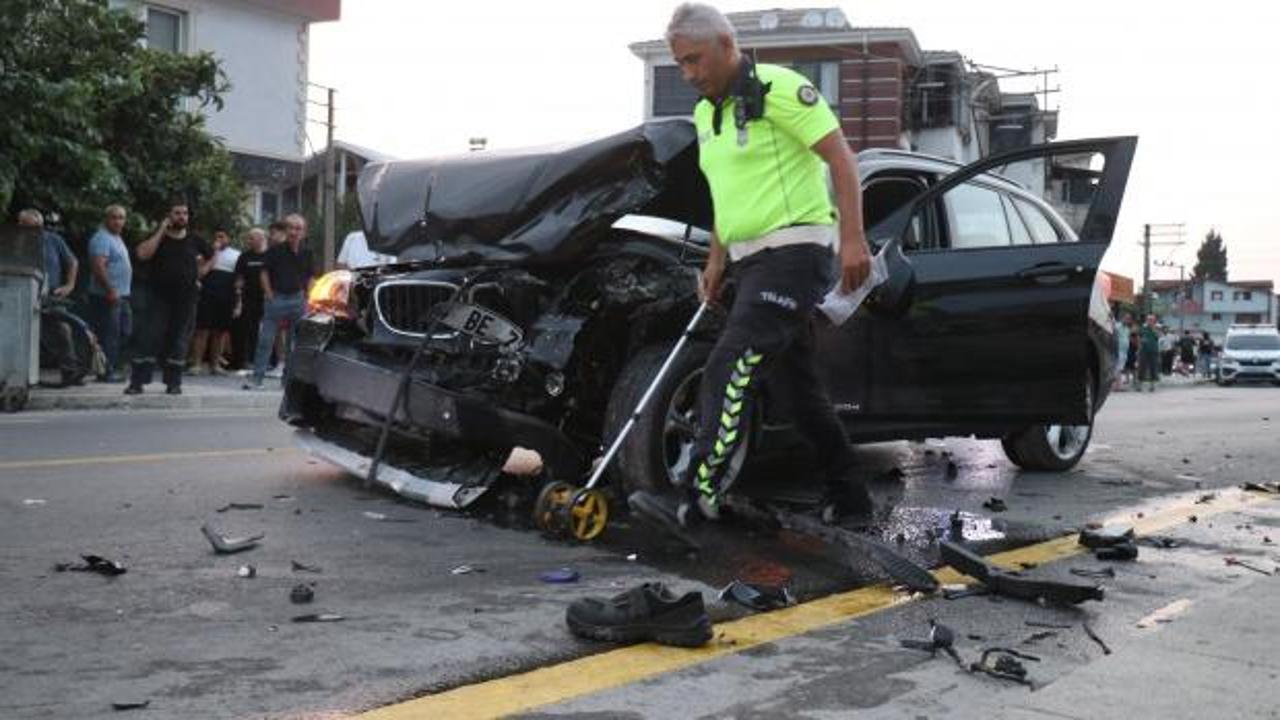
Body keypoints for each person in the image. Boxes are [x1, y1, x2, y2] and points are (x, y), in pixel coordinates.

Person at [629, 3, 875, 539]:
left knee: (729, 363)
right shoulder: (704, 116)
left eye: (695, 60)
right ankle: (851, 495)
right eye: (680, 65)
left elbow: (842, 159)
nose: (690, 74)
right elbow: (727, 197)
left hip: (796, 253)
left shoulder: (782, 89)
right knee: (797, 391)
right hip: (748, 262)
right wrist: (715, 261)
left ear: (725, 43)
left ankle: (701, 495)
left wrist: (853, 238)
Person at [127, 201, 213, 395]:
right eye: (177, 213)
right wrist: (160, 231)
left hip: (186, 299)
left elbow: (212, 255)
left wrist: (201, 273)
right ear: (168, 216)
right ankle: (137, 382)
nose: (182, 217)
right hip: (158, 297)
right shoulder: (158, 237)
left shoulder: (195, 240)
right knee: (148, 338)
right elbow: (142, 255)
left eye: (185, 213)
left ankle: (173, 383)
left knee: (179, 340)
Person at [245, 214, 314, 390]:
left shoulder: (307, 252)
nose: (294, 232)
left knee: (295, 343)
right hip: (277, 298)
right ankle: (256, 379)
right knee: (265, 340)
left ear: (304, 232)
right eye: (291, 227)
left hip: (298, 300)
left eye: (298, 228)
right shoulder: (274, 251)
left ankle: (288, 381)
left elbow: (310, 277)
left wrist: (309, 298)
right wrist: (269, 294)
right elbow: (264, 273)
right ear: (286, 230)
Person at [17, 209, 82, 385]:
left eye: (36, 227)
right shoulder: (14, 241)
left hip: (50, 293)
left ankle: (70, 371)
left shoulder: (52, 239)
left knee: (63, 329)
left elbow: (72, 261)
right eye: (27, 227)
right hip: (21, 293)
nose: (33, 231)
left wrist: (69, 285)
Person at [85, 205, 133, 382]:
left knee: (125, 332)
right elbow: (98, 266)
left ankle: (111, 366)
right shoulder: (102, 238)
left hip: (121, 294)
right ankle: (106, 372)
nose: (118, 221)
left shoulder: (116, 238)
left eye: (121, 217)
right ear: (106, 219)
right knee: (110, 334)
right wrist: (110, 289)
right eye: (114, 217)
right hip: (106, 295)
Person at [189, 229, 240, 375]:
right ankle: (197, 363)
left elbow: (238, 280)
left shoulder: (236, 255)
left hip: (226, 296)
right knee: (202, 330)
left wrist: (238, 301)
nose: (218, 239)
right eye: (216, 236)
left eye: (222, 236)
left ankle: (215, 364)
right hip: (207, 295)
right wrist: (213, 252)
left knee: (221, 331)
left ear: (228, 238)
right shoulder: (206, 252)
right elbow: (200, 273)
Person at [232, 227, 269, 371]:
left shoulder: (270, 255)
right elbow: (239, 277)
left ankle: (263, 362)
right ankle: (245, 361)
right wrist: (238, 296)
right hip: (248, 298)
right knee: (247, 329)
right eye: (248, 238)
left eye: (251, 238)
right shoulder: (244, 256)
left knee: (265, 331)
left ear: (261, 238)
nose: (249, 241)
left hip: (266, 298)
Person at [1138, 314, 1160, 392]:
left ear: (1154, 321)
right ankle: (1140, 385)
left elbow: (1158, 336)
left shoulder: (1157, 328)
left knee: (1153, 367)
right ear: (1146, 320)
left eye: (1152, 320)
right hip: (1144, 350)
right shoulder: (1143, 328)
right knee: (1142, 367)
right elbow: (1139, 338)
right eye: (1149, 319)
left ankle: (1152, 385)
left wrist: (1154, 328)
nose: (1150, 321)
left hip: (1154, 350)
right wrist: (1141, 342)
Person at [1114, 313, 1131, 389]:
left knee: (1120, 368)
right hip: (1118, 350)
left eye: (1128, 319)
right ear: (1122, 318)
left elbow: (1127, 339)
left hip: (1124, 351)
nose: (1127, 320)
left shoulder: (1127, 329)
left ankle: (1118, 385)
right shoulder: (1117, 326)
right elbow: (1113, 337)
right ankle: (1117, 385)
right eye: (1126, 318)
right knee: (1117, 368)